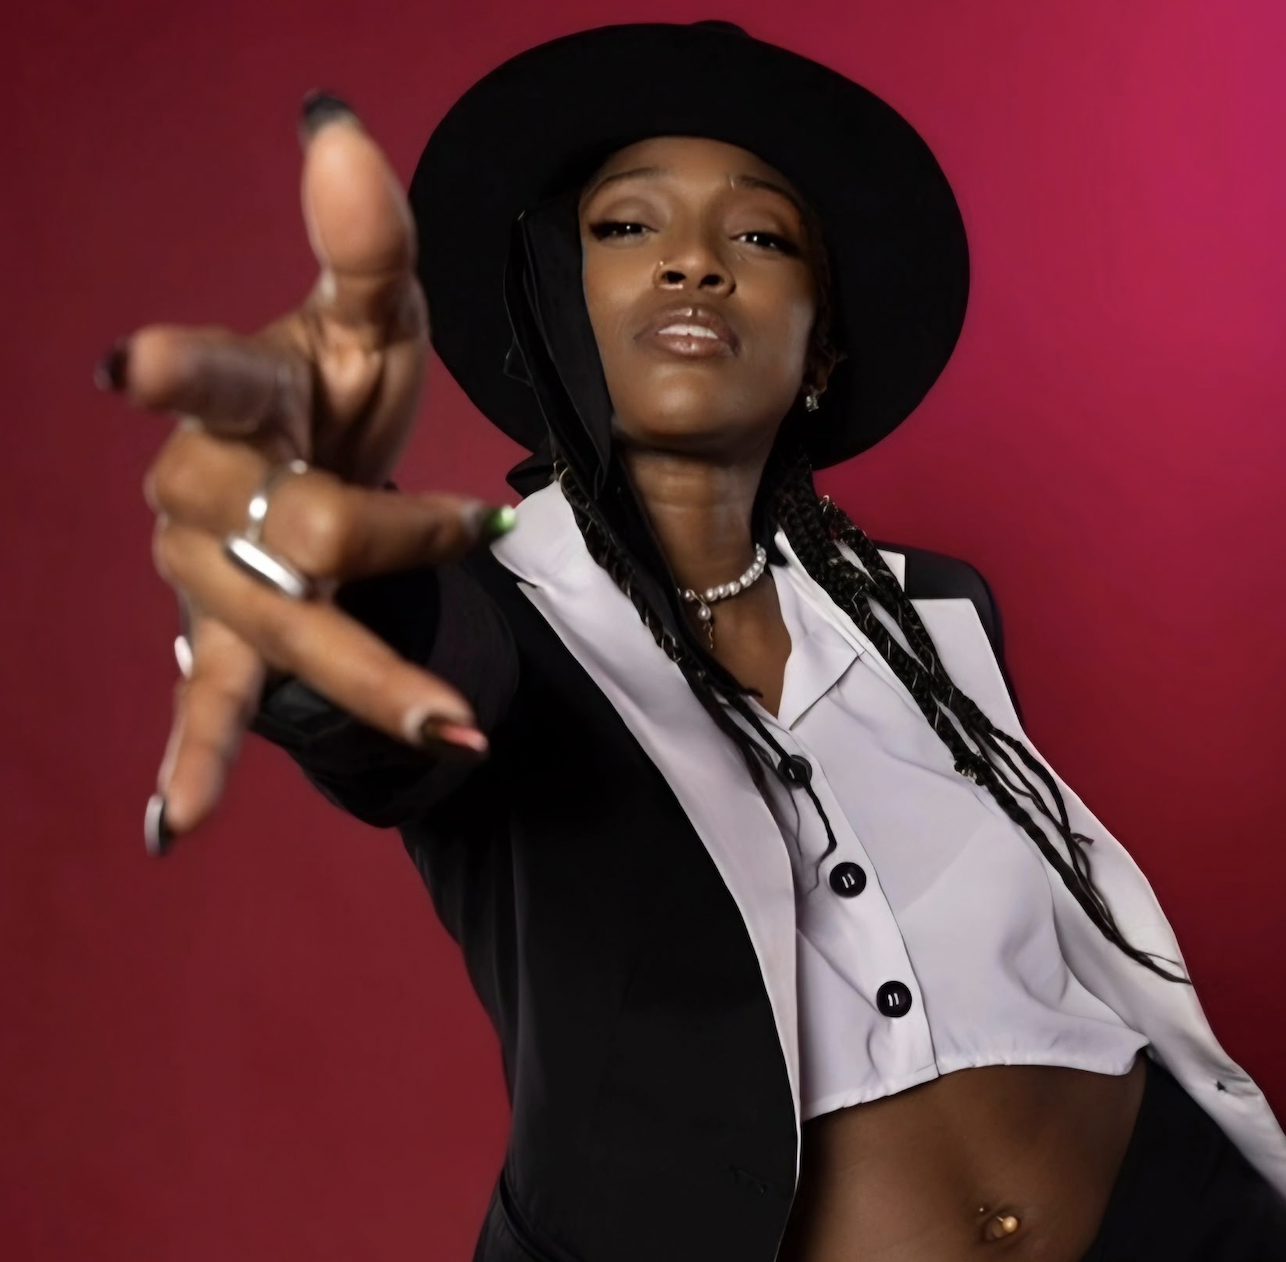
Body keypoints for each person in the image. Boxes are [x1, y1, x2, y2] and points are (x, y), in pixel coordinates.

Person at [100, 20, 1286, 1262]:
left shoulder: (930, 611)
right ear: (555, 304)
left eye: (759, 237)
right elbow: (383, 686)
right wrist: (295, 549)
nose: (692, 263)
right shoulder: (487, 614)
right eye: (627, 226)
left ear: (819, 349)